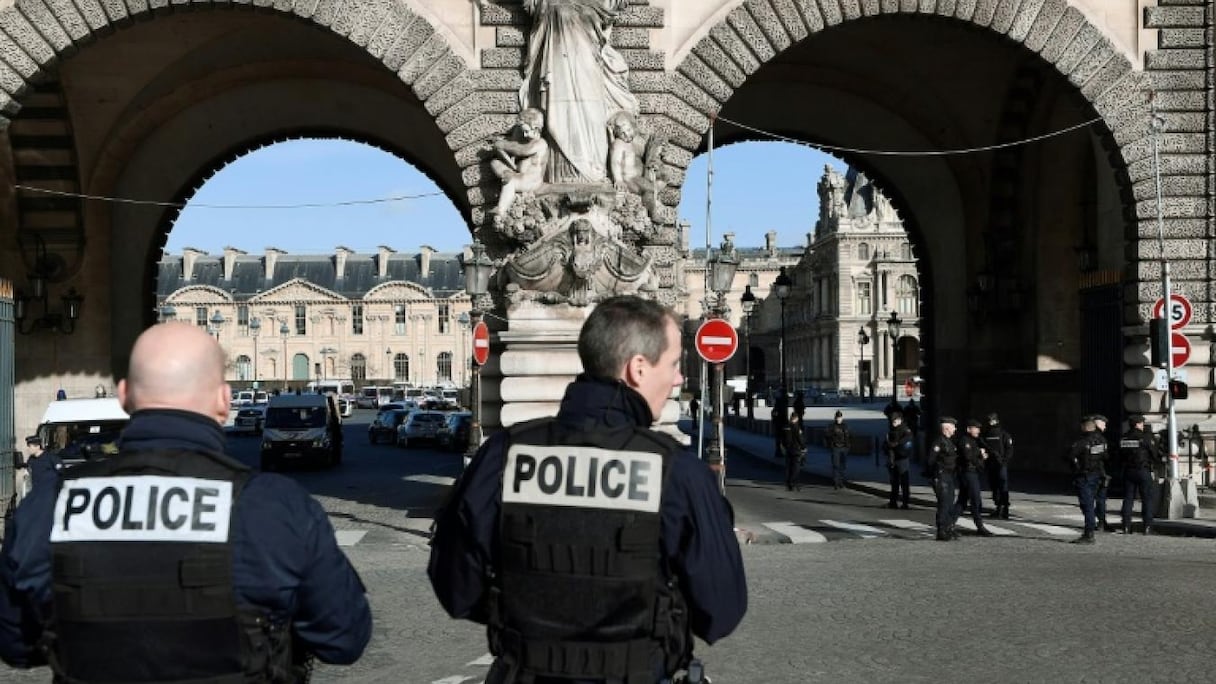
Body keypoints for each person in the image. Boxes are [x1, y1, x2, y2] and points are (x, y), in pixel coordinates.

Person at [0, 323, 371, 679]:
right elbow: (344, 638)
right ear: (225, 401)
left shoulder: (50, 506)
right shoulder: (274, 507)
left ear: (125, 396)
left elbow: (15, 645)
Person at [428, 295, 747, 684]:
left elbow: (455, 586)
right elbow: (721, 610)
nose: (680, 378)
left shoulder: (504, 454)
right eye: (675, 363)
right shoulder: (678, 472)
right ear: (638, 369)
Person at [519, 0, 639, 184]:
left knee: (593, 116)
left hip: (588, 63)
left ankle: (595, 170)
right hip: (558, 64)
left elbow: (612, 6)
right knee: (559, 116)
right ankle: (561, 175)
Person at [490, 107, 550, 219]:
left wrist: (503, 144)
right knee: (494, 163)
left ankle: (501, 209)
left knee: (510, 183)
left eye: (527, 131)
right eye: (523, 132)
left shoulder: (540, 143)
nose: (525, 135)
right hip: (520, 174)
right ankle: (507, 173)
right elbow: (518, 149)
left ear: (536, 129)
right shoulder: (527, 141)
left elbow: (522, 150)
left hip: (531, 182)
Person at [1064, 414, 1109, 544]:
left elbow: (1069, 456)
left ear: (1084, 427)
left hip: (1085, 476)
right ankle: (1092, 527)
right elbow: (1106, 457)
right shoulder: (1102, 440)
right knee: (1092, 503)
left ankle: (1089, 534)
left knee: (1087, 505)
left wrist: (1076, 466)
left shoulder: (1082, 442)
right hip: (1097, 475)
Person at [1119, 414, 1162, 535]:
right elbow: (1154, 455)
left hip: (1128, 471)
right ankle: (1148, 526)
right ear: (1137, 424)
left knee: (1128, 499)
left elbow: (1120, 455)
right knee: (1147, 499)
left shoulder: (1124, 438)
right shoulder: (1145, 438)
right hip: (1143, 470)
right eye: (1142, 423)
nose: (1143, 425)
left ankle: (1126, 526)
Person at [952, 419, 995, 537]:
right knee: (976, 500)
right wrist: (981, 455)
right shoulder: (964, 441)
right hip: (967, 473)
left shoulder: (975, 441)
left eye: (979, 428)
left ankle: (949, 524)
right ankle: (980, 526)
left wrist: (983, 455)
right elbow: (968, 457)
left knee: (962, 501)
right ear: (969, 429)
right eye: (976, 428)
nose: (978, 430)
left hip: (972, 473)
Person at [924, 417, 961, 542]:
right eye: (953, 426)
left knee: (950, 503)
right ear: (947, 428)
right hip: (941, 476)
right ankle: (941, 530)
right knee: (944, 503)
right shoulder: (939, 442)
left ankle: (947, 528)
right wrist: (936, 473)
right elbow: (930, 460)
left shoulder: (949, 441)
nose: (955, 429)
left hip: (949, 476)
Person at [981, 412, 1015, 519]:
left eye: (992, 420)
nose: (991, 422)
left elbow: (1009, 450)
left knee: (1001, 486)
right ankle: (1000, 507)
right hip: (991, 464)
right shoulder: (987, 434)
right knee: (995, 487)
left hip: (999, 464)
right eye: (989, 420)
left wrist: (1004, 461)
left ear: (996, 420)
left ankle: (1004, 509)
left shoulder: (1003, 434)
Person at [1090, 414, 1116, 532]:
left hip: (1088, 472)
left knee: (1090, 499)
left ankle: (1096, 522)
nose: (1105, 426)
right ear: (1098, 424)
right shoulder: (1100, 439)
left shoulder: (1086, 437)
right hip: (1098, 472)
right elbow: (1105, 457)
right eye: (1104, 424)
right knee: (1100, 499)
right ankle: (1100, 522)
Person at [883, 411, 913, 509]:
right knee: (894, 482)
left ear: (900, 420)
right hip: (893, 459)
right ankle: (893, 502)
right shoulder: (891, 430)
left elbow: (908, 440)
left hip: (902, 459)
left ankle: (905, 503)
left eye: (895, 420)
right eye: (892, 421)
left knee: (904, 482)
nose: (893, 422)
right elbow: (886, 444)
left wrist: (896, 444)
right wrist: (887, 447)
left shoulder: (905, 430)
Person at [824, 410, 850, 490]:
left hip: (844, 448)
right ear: (835, 418)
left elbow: (848, 436)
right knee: (836, 465)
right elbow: (826, 435)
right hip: (835, 448)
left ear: (842, 418)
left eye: (840, 417)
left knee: (843, 466)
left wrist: (848, 446)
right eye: (837, 417)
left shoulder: (845, 426)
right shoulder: (831, 426)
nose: (838, 419)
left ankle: (841, 482)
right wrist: (833, 437)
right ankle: (836, 482)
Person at [782, 412, 806, 491]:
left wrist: (784, 447)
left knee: (788, 467)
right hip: (796, 450)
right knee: (796, 468)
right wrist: (804, 447)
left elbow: (782, 439)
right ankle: (794, 483)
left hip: (788, 449)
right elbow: (800, 439)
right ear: (796, 418)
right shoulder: (797, 428)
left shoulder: (785, 427)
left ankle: (788, 483)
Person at [771, 392, 789, 462]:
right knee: (781, 439)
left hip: (779, 424)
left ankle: (780, 451)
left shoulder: (777, 408)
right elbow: (778, 416)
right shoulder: (779, 408)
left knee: (780, 439)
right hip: (780, 425)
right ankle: (780, 452)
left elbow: (774, 416)